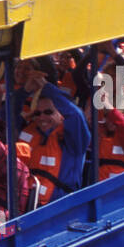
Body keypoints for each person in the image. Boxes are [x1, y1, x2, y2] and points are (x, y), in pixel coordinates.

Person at [15, 66, 90, 204]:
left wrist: (46, 87)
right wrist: (25, 91)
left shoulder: (73, 140)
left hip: (59, 208)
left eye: (48, 112)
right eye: (37, 113)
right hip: (25, 206)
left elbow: (76, 115)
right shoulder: (30, 130)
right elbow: (5, 115)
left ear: (62, 115)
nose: (42, 117)